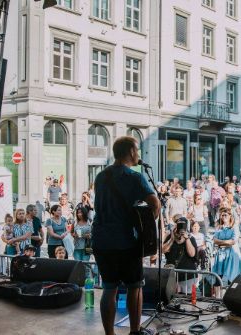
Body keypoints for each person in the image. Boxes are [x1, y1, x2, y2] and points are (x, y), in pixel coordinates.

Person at [92, 136, 160, 335]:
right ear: (131, 152)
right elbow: (155, 204)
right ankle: (134, 330)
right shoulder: (135, 176)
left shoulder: (100, 176)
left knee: (109, 289)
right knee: (134, 287)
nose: (138, 153)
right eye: (137, 150)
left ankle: (109, 334)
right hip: (126, 241)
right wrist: (146, 226)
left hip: (102, 240)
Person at [211, 208, 241, 298]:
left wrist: (220, 242)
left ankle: (231, 297)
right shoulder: (219, 227)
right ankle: (217, 297)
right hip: (220, 254)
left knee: (231, 276)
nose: (223, 217)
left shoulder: (234, 227)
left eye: (226, 215)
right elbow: (214, 240)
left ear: (230, 216)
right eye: (222, 215)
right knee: (218, 275)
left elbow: (233, 241)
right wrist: (225, 242)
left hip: (232, 254)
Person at [162, 217, 198, 293]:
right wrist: (172, 239)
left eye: (183, 225)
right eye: (179, 225)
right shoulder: (170, 237)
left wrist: (186, 239)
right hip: (172, 277)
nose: (181, 227)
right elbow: (163, 250)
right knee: (171, 299)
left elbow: (192, 254)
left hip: (188, 276)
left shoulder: (191, 238)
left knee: (186, 301)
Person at [72, 207, 92, 275]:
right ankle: (78, 280)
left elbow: (93, 234)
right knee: (77, 264)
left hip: (88, 246)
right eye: (78, 213)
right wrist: (74, 235)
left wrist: (84, 235)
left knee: (86, 265)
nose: (79, 214)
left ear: (84, 213)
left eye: (81, 212)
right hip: (76, 246)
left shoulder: (90, 221)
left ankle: (87, 281)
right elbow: (71, 232)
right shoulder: (75, 222)